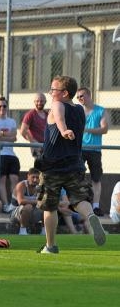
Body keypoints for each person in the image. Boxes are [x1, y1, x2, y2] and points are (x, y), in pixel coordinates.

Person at [36, 75, 105, 253]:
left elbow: (59, 118)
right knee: (79, 199)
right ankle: (90, 216)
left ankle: (50, 246)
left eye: (53, 90)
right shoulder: (80, 110)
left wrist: (63, 130)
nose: (51, 93)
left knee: (50, 207)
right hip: (75, 164)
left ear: (65, 93)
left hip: (52, 165)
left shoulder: (57, 104)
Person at [77, 87, 110, 217]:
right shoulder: (78, 111)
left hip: (94, 149)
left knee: (96, 178)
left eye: (82, 96)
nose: (80, 99)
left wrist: (86, 130)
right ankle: (79, 204)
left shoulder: (100, 110)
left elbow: (104, 129)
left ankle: (96, 207)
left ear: (89, 95)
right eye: (78, 97)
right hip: (80, 149)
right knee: (77, 177)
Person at [10, 168, 44, 235]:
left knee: (46, 207)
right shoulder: (21, 185)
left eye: (37, 178)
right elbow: (21, 201)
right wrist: (38, 202)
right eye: (33, 177)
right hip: (15, 214)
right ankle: (22, 230)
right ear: (28, 176)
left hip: (32, 212)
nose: (35, 180)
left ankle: (44, 231)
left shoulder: (41, 188)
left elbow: (41, 202)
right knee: (28, 206)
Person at [20, 93, 47, 158]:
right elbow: (23, 131)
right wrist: (33, 142)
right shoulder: (30, 114)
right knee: (39, 166)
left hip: (47, 146)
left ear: (45, 102)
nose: (39, 103)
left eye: (41, 101)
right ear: (34, 102)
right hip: (37, 148)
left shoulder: (47, 114)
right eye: (37, 101)